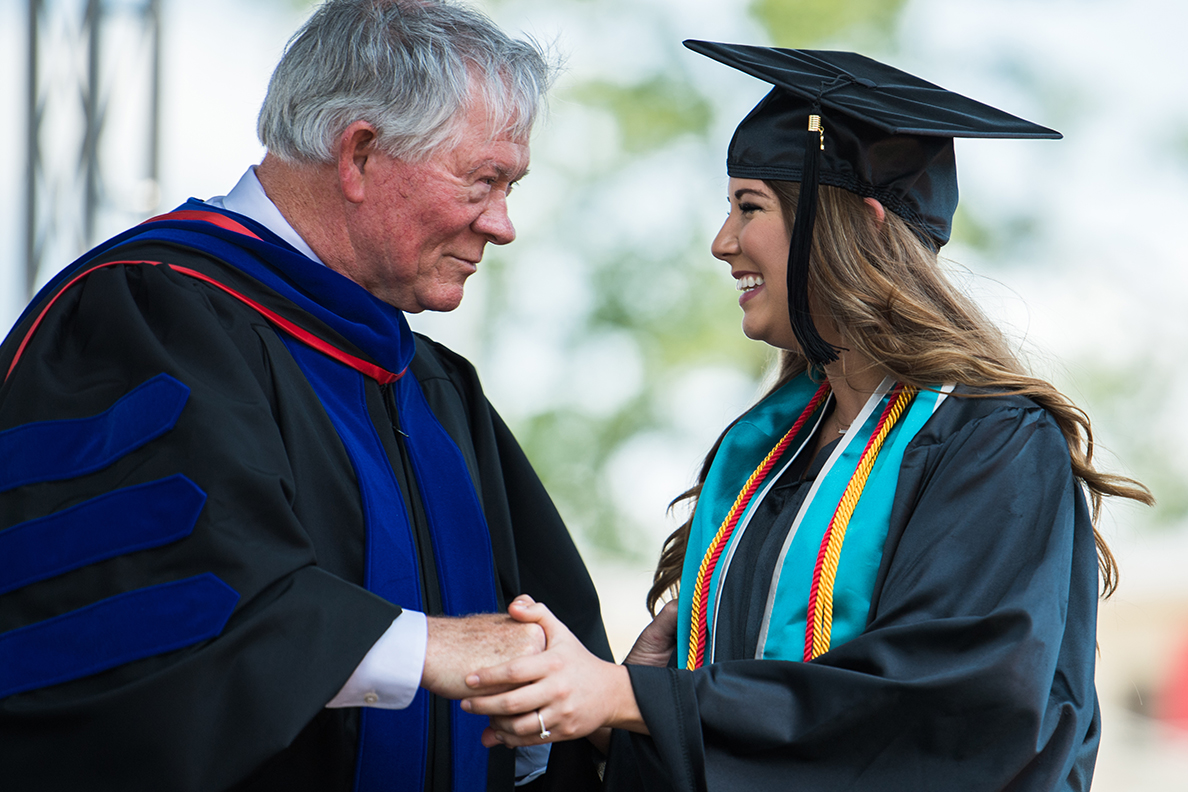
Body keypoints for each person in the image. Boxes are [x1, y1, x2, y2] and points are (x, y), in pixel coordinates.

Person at [460, 41, 1154, 791]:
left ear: (853, 224)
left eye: (749, 206)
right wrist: (620, 719)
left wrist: (637, 700)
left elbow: (954, 705)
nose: (722, 242)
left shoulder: (993, 446)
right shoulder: (764, 458)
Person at [0, 1, 610, 790]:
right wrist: (425, 648)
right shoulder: (142, 317)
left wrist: (592, 703)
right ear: (358, 153)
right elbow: (134, 613)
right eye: (483, 181)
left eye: (511, 186)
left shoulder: (432, 388)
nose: (502, 224)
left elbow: (533, 663)